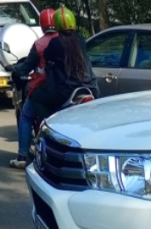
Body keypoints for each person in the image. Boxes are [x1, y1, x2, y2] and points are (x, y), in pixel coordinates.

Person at [10, 9, 98, 169]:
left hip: (59, 89)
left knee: (27, 114)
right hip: (89, 88)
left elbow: (31, 67)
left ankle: (22, 156)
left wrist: (16, 70)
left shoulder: (47, 44)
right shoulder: (80, 40)